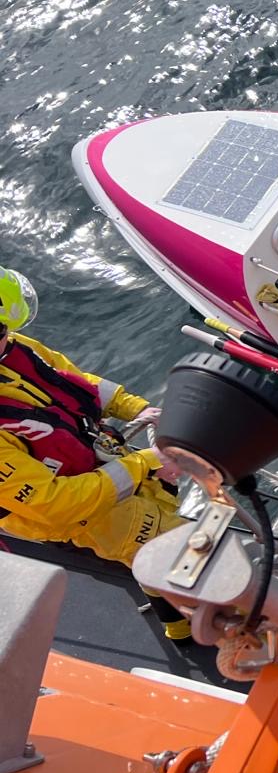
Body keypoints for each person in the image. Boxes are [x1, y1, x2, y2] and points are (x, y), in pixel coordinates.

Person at [0, 267, 192, 641]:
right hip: (79, 515)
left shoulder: (17, 349)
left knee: (159, 528)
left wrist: (134, 408)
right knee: (183, 551)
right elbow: (54, 504)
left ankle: (179, 621)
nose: (8, 338)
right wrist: (147, 462)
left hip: (103, 464)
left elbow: (74, 380)